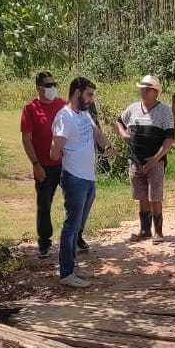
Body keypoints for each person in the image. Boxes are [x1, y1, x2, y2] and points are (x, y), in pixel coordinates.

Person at [50, 77, 113, 287]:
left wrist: (107, 148)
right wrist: (62, 152)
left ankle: (72, 267)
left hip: (88, 179)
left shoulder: (85, 114)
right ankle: (66, 273)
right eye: (89, 94)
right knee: (71, 225)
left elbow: (96, 133)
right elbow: (54, 152)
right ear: (77, 93)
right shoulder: (64, 117)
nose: (91, 99)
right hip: (74, 178)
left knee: (77, 226)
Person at [115, 75, 175, 243]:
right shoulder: (133, 108)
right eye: (142, 88)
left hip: (155, 162)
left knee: (155, 197)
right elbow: (119, 121)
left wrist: (155, 159)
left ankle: (158, 232)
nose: (143, 91)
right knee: (142, 197)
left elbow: (170, 139)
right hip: (135, 160)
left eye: (147, 89)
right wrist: (123, 133)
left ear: (156, 92)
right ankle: (144, 230)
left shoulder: (164, 111)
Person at [20, 71, 69, 259]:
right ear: (39, 88)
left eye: (54, 84)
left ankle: (76, 236)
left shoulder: (63, 105)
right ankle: (44, 243)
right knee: (44, 205)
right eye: (48, 85)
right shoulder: (30, 108)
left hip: (65, 164)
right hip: (44, 166)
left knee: (75, 202)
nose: (52, 88)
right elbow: (26, 138)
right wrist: (35, 164)